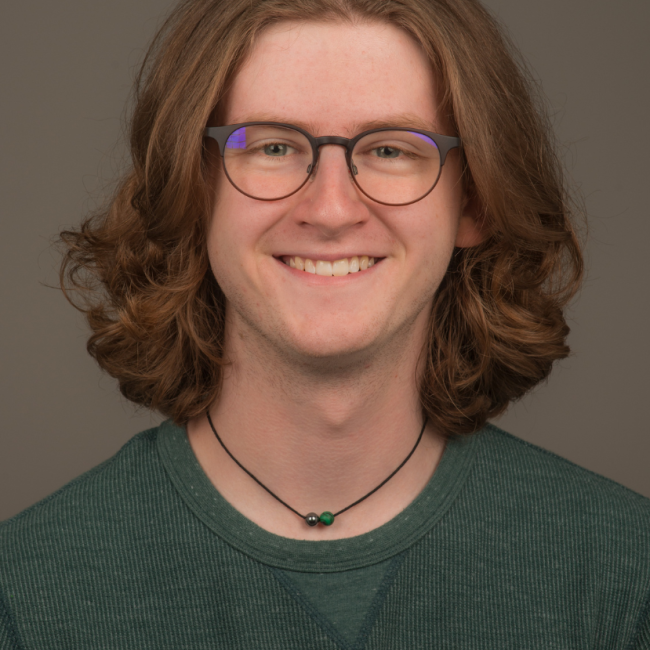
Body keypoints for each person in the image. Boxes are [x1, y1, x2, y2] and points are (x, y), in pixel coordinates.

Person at [1, 0, 649, 647]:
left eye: (392, 149)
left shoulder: (622, 579)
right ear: (192, 189)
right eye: (275, 146)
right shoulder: (24, 596)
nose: (332, 208)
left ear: (474, 199)